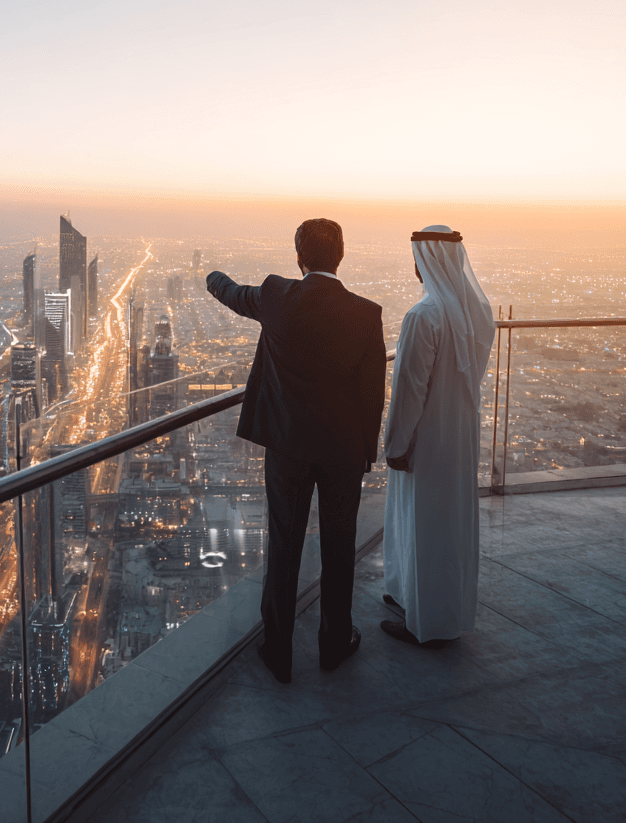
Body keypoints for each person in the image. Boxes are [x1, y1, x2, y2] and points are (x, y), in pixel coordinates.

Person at [206, 219, 386, 683]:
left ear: (298, 257)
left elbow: (230, 293)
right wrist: (367, 450)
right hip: (343, 451)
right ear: (340, 256)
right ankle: (334, 643)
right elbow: (372, 393)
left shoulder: (276, 297)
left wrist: (211, 276)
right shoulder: (366, 314)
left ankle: (278, 649)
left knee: (284, 543)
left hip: (287, 446)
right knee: (340, 546)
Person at [381, 225, 495, 647]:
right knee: (450, 523)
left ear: (426, 260)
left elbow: (410, 390)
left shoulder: (423, 316)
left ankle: (424, 621)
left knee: (424, 523)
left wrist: (396, 445)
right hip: (460, 433)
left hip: (427, 437)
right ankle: (441, 607)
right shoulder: (476, 314)